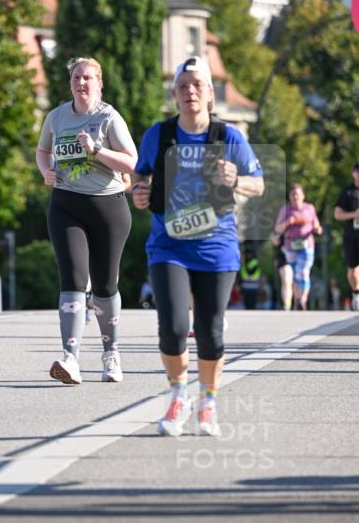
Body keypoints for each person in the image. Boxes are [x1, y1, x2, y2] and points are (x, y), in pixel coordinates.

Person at [131, 55, 264, 436]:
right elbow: (138, 178)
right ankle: (178, 396)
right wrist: (139, 193)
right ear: (174, 94)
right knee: (173, 327)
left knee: (210, 331)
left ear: (209, 94)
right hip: (168, 246)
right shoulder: (158, 135)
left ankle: (208, 401)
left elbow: (259, 184)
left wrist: (236, 179)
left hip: (216, 247)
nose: (190, 91)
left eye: (197, 85)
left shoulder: (228, 137)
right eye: (183, 86)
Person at [36, 56, 137, 384]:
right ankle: (71, 358)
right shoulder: (56, 117)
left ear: (99, 84)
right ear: (70, 83)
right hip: (66, 205)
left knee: (105, 286)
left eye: (87, 78)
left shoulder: (108, 117)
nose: (81, 83)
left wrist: (96, 150)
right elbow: (42, 151)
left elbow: (131, 162)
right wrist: (46, 170)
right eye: (76, 78)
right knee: (73, 280)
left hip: (108, 208)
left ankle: (111, 353)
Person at [274, 184, 323, 311]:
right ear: (290, 196)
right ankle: (297, 298)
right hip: (290, 247)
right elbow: (277, 228)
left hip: (307, 246)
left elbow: (317, 225)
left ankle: (302, 299)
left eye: (298, 194)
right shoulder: (286, 209)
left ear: (303, 196)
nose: (295, 197)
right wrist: (288, 222)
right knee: (296, 274)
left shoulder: (309, 208)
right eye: (293, 194)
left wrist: (317, 229)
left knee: (304, 272)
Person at [333, 162, 359, 311]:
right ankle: (356, 293)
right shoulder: (347, 192)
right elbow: (337, 214)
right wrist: (354, 214)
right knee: (353, 271)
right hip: (352, 236)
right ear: (353, 173)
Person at [270, 231, 293, 310]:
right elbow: (275, 242)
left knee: (296, 282)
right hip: (284, 258)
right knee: (286, 281)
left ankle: (299, 302)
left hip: (298, 256)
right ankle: (287, 304)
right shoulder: (280, 227)